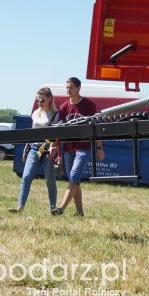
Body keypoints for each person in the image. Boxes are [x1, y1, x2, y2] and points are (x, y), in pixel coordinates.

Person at [51, 77, 104, 217]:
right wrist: (55, 147)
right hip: (68, 149)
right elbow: (59, 129)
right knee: (75, 182)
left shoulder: (88, 105)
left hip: (83, 148)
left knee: (74, 178)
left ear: (78, 88)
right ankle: (80, 213)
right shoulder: (63, 107)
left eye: (71, 87)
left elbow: (95, 128)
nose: (68, 90)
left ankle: (61, 209)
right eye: (67, 87)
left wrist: (99, 148)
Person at [9, 87, 59, 213]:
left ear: (49, 99)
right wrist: (27, 148)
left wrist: (54, 150)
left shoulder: (55, 114)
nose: (40, 103)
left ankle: (52, 208)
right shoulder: (36, 113)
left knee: (50, 180)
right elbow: (32, 131)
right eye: (38, 100)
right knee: (26, 177)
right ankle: (20, 207)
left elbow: (57, 135)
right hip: (34, 148)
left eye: (42, 100)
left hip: (48, 149)